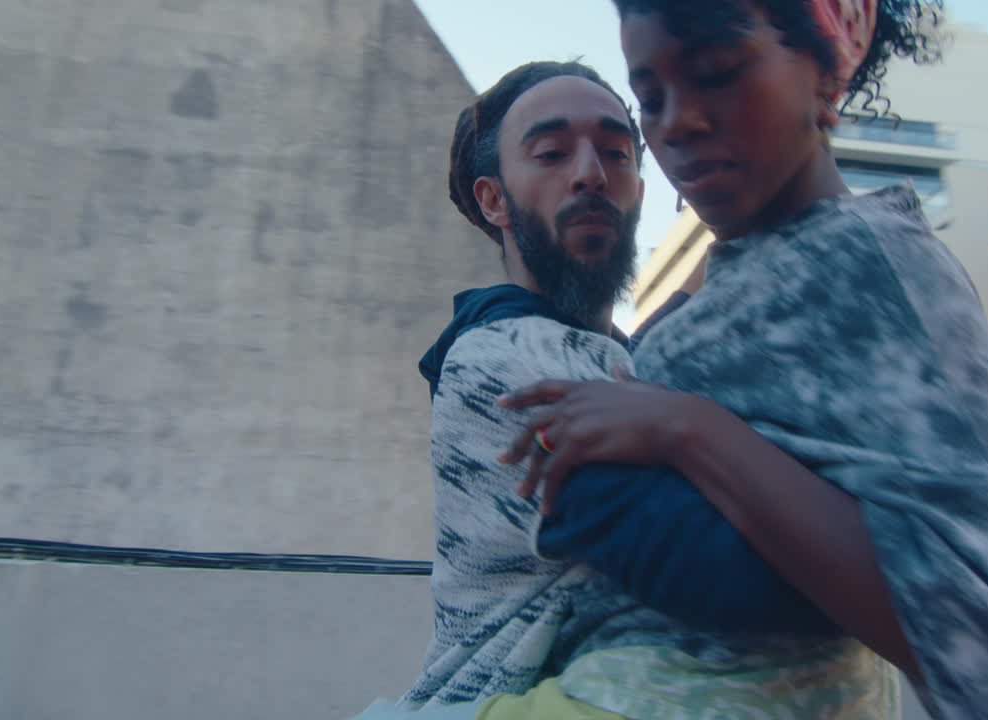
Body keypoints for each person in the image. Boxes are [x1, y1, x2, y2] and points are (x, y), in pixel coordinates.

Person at [494, 1, 988, 718]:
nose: (677, 124)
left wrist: (689, 430)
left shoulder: (872, 263)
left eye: (720, 73)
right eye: (652, 99)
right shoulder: (750, 270)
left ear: (825, 77)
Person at [372, 58, 899, 720]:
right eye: (552, 153)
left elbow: (652, 354)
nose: (592, 172)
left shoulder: (619, 363)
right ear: (494, 199)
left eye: (617, 153)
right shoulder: (499, 362)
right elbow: (723, 575)